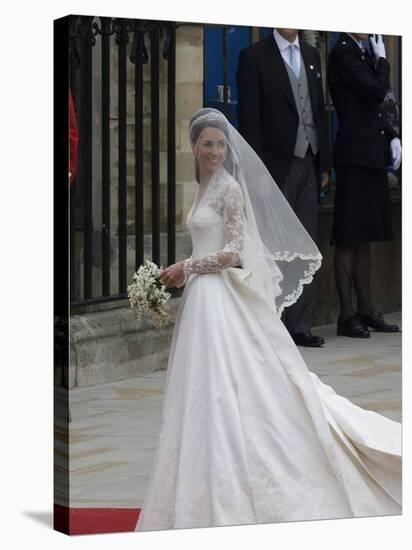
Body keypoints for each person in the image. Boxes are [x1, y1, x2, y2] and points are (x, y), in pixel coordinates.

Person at [134, 108, 401, 532]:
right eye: (208, 144)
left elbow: (235, 252)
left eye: (221, 144)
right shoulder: (201, 188)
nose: (216, 151)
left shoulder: (229, 190)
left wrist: (187, 266)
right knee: (202, 388)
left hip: (218, 294)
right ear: (194, 147)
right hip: (201, 300)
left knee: (232, 384)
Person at [236, 28, 331, 348]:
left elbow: (318, 111)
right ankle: (270, 321)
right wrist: (256, 171)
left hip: (309, 160)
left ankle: (300, 324)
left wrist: (325, 164)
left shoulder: (311, 54)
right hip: (274, 166)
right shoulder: (253, 57)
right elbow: (248, 118)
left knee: (305, 243)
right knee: (272, 244)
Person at [327, 33, 402, 337]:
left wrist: (392, 133)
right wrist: (383, 61)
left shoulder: (363, 50)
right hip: (354, 156)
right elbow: (374, 92)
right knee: (348, 236)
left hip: (370, 153)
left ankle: (366, 309)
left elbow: (376, 107)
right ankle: (346, 315)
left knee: (365, 236)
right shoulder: (344, 53)